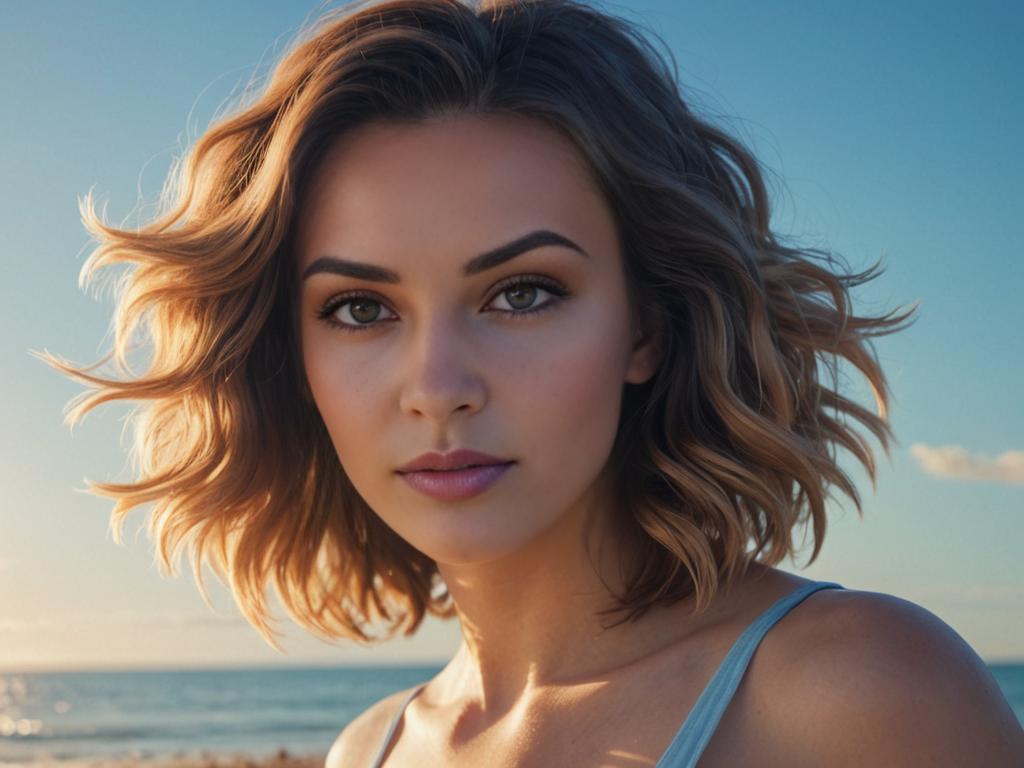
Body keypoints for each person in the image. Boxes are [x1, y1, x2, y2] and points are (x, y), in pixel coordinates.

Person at [41, 0, 1022, 764]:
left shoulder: (857, 691)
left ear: (647, 325)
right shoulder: (370, 749)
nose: (438, 386)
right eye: (358, 309)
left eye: (521, 293)